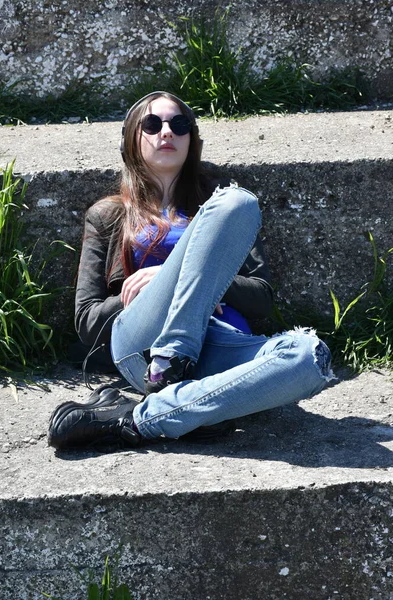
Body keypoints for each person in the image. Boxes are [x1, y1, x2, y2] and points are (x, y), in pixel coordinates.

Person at [48, 91, 335, 451]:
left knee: (311, 356)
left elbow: (261, 299)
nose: (166, 132)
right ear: (132, 139)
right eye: (152, 124)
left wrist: (200, 284)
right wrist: (163, 287)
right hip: (144, 345)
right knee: (235, 202)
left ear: (191, 139)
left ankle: (141, 417)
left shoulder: (219, 212)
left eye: (179, 124)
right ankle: (169, 360)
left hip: (218, 345)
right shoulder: (108, 216)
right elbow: (88, 321)